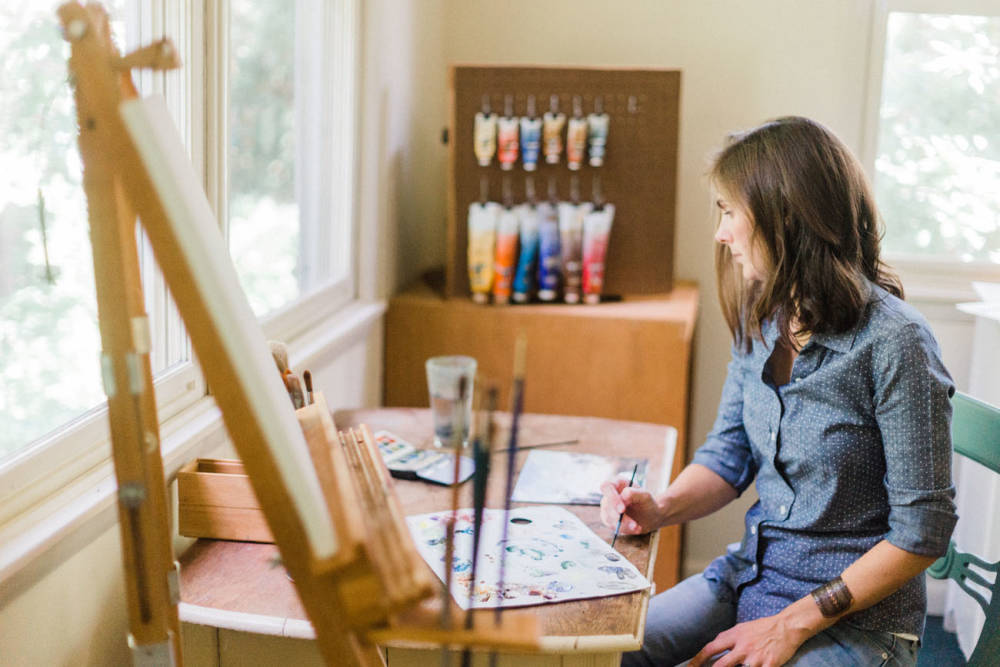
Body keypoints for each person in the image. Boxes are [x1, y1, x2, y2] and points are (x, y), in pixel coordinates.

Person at [601, 116, 957, 667]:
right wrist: (661, 507)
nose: (720, 235)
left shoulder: (897, 342)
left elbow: (923, 533)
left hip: (858, 623)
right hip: (751, 577)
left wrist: (789, 625)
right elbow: (728, 456)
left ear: (785, 216)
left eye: (728, 212)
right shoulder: (763, 314)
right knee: (612, 650)